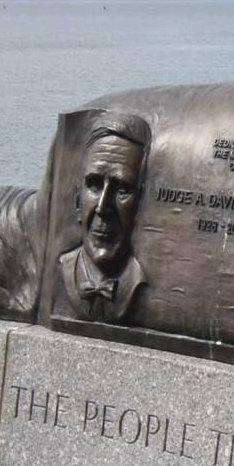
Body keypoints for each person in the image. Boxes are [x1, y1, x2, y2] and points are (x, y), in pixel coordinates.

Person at [56, 114, 150, 323]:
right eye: (95, 185)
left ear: (140, 203)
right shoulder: (59, 269)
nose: (103, 207)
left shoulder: (142, 283)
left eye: (122, 189)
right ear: (78, 200)